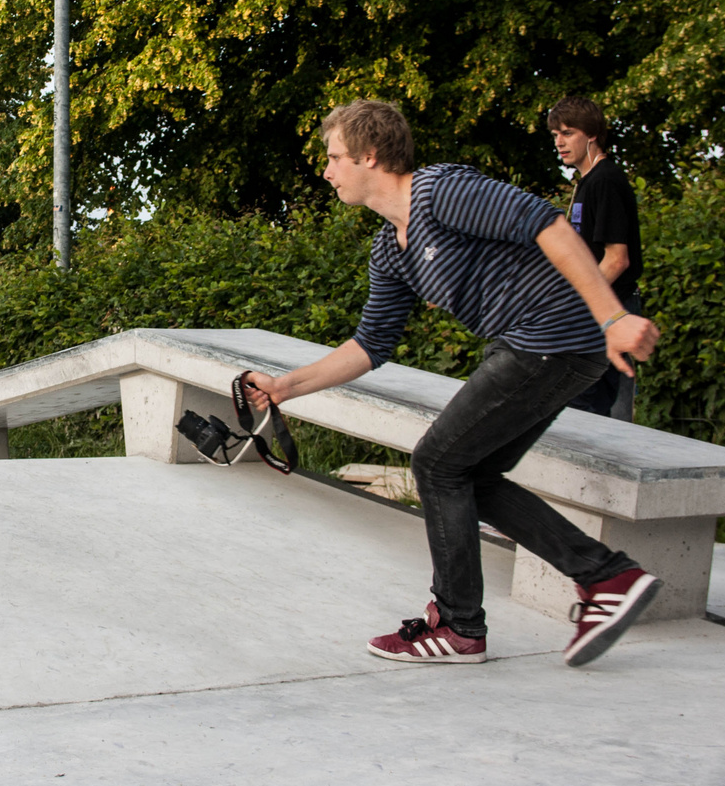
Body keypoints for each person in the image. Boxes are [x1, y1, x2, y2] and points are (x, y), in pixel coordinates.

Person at [243, 100, 663, 668]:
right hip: (545, 347)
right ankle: (606, 578)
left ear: (370, 156)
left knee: (437, 463)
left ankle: (460, 625)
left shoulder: (441, 191)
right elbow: (370, 345)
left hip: (552, 335)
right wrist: (282, 388)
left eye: (335, 157)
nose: (327, 170)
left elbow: (550, 225)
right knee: (470, 472)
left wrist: (613, 317)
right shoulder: (391, 249)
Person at [550, 96, 643, 421]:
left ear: (591, 134)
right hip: (593, 310)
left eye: (568, 133)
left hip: (608, 309)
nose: (559, 142)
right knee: (580, 409)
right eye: (555, 135)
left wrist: (575, 302)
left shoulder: (605, 181)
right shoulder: (588, 183)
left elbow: (617, 259)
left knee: (593, 416)